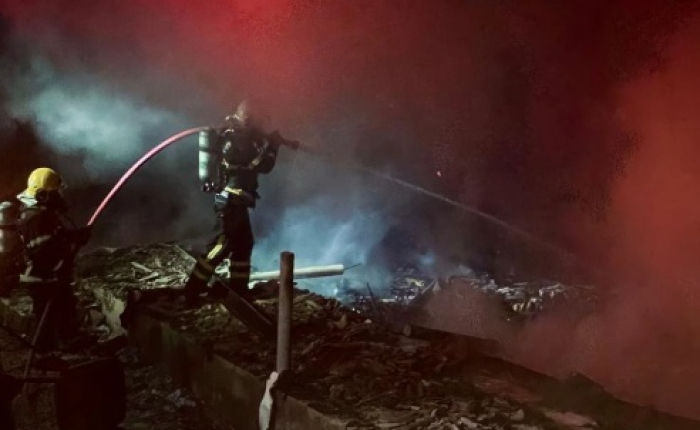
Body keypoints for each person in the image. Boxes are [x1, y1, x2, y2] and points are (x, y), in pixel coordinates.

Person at [183, 100, 299, 302]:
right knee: (221, 245)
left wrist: (271, 141)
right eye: (259, 120)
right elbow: (264, 166)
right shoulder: (237, 139)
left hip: (239, 201)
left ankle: (238, 289)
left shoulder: (242, 137)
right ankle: (192, 290)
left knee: (244, 244)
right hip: (231, 201)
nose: (261, 125)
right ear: (249, 118)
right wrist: (273, 145)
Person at [16, 167, 91, 353]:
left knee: (66, 306)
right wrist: (62, 262)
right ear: (43, 195)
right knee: (46, 317)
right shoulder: (36, 219)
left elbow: (56, 236)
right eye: (56, 192)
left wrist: (75, 236)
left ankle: (70, 340)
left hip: (49, 277)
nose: (60, 196)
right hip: (42, 279)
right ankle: (44, 355)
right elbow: (43, 252)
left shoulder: (43, 214)